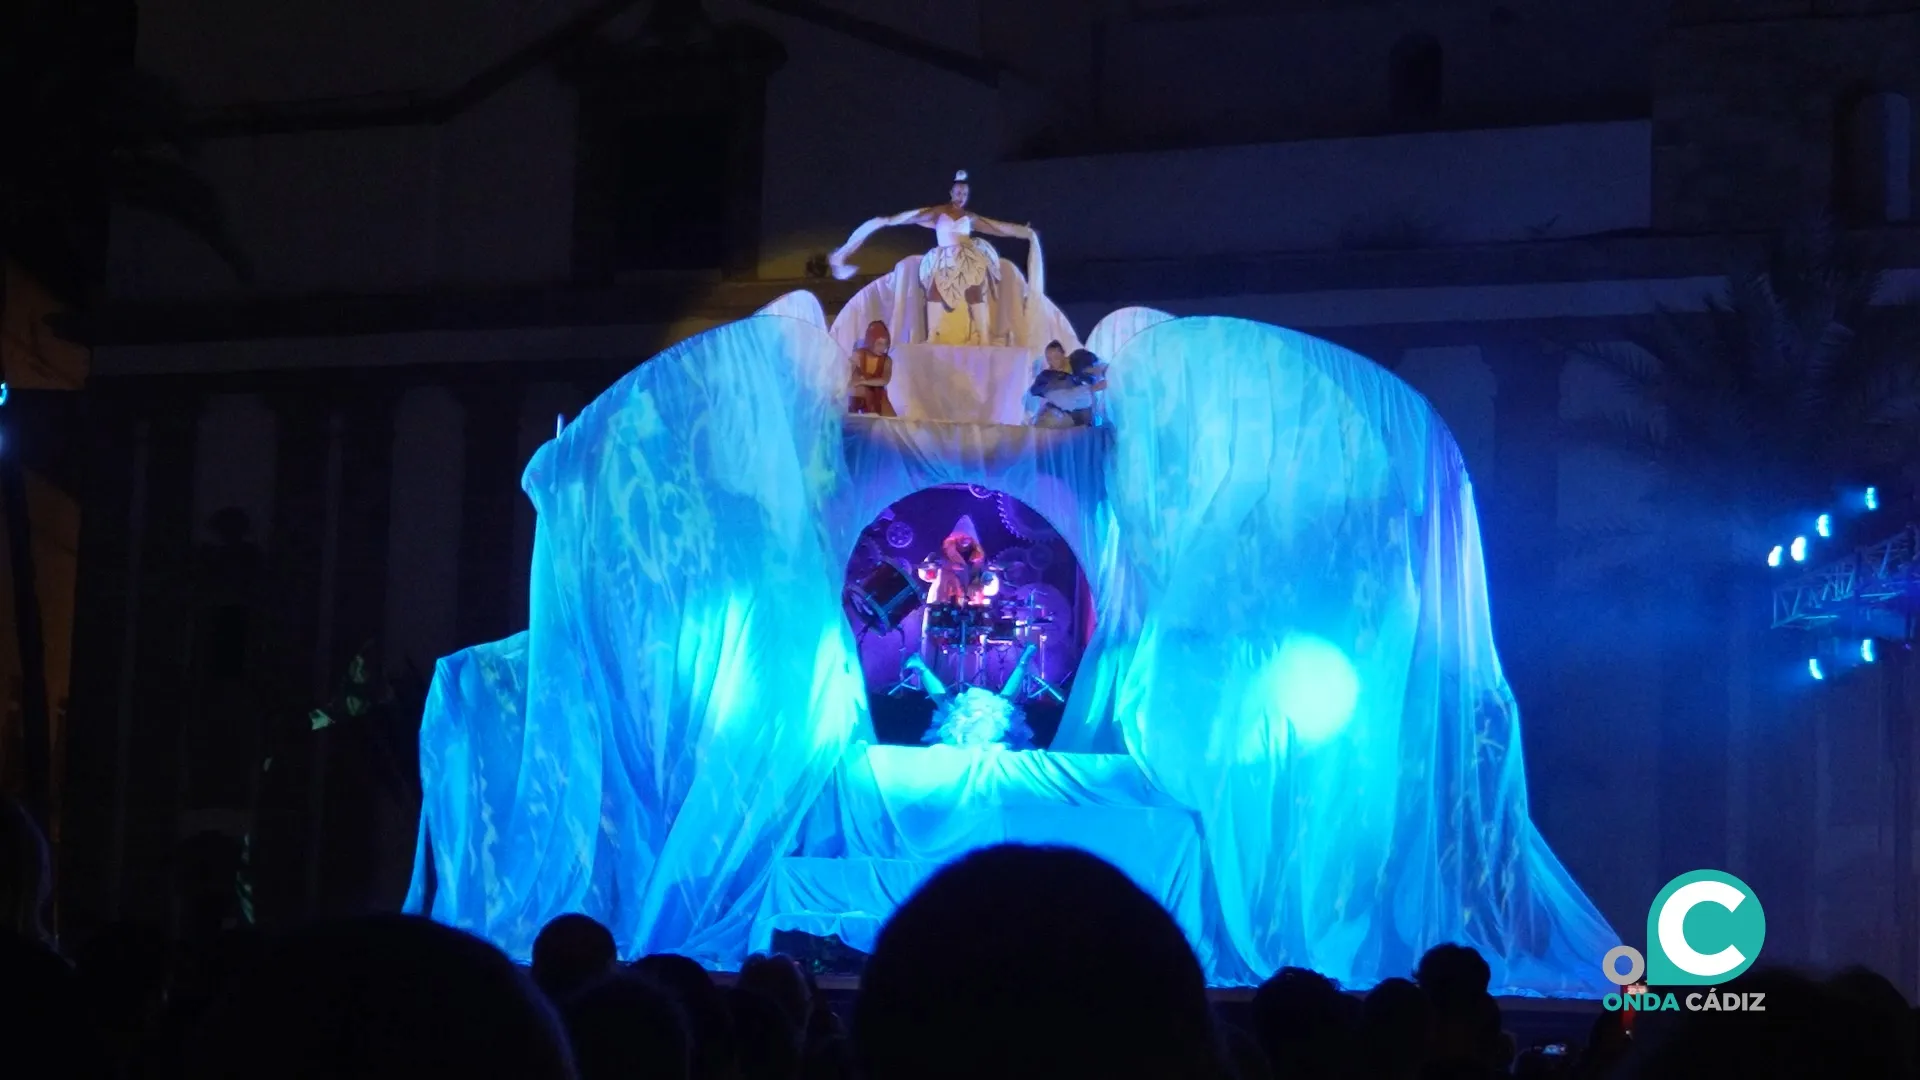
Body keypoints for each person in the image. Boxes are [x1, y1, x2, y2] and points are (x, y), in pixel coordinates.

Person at [828, 170, 1035, 345]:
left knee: (974, 291)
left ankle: (983, 335)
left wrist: (1020, 231)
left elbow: (995, 227)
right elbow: (913, 218)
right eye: (958, 192)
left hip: (966, 257)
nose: (961, 196)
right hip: (944, 257)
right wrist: (890, 220)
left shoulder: (969, 216)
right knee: (935, 291)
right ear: (951, 193)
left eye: (964, 193)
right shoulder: (939, 211)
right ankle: (932, 335)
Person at [917, 516, 1000, 606]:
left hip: (967, 605)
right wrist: (934, 568)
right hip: (941, 599)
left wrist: (979, 585)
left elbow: (992, 586)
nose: (964, 541)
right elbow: (924, 572)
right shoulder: (940, 557)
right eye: (961, 537)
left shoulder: (979, 564)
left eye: (967, 538)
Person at [1028, 347, 1106, 428]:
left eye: (1056, 357)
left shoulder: (1078, 360)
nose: (1053, 362)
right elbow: (1067, 398)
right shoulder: (1051, 387)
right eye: (1049, 359)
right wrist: (1093, 388)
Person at [848, 320, 896, 417]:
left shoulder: (887, 360)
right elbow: (850, 376)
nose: (883, 348)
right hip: (859, 395)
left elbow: (884, 380)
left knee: (890, 420)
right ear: (871, 342)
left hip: (879, 395)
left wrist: (863, 381)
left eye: (885, 344)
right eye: (879, 344)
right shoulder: (859, 355)